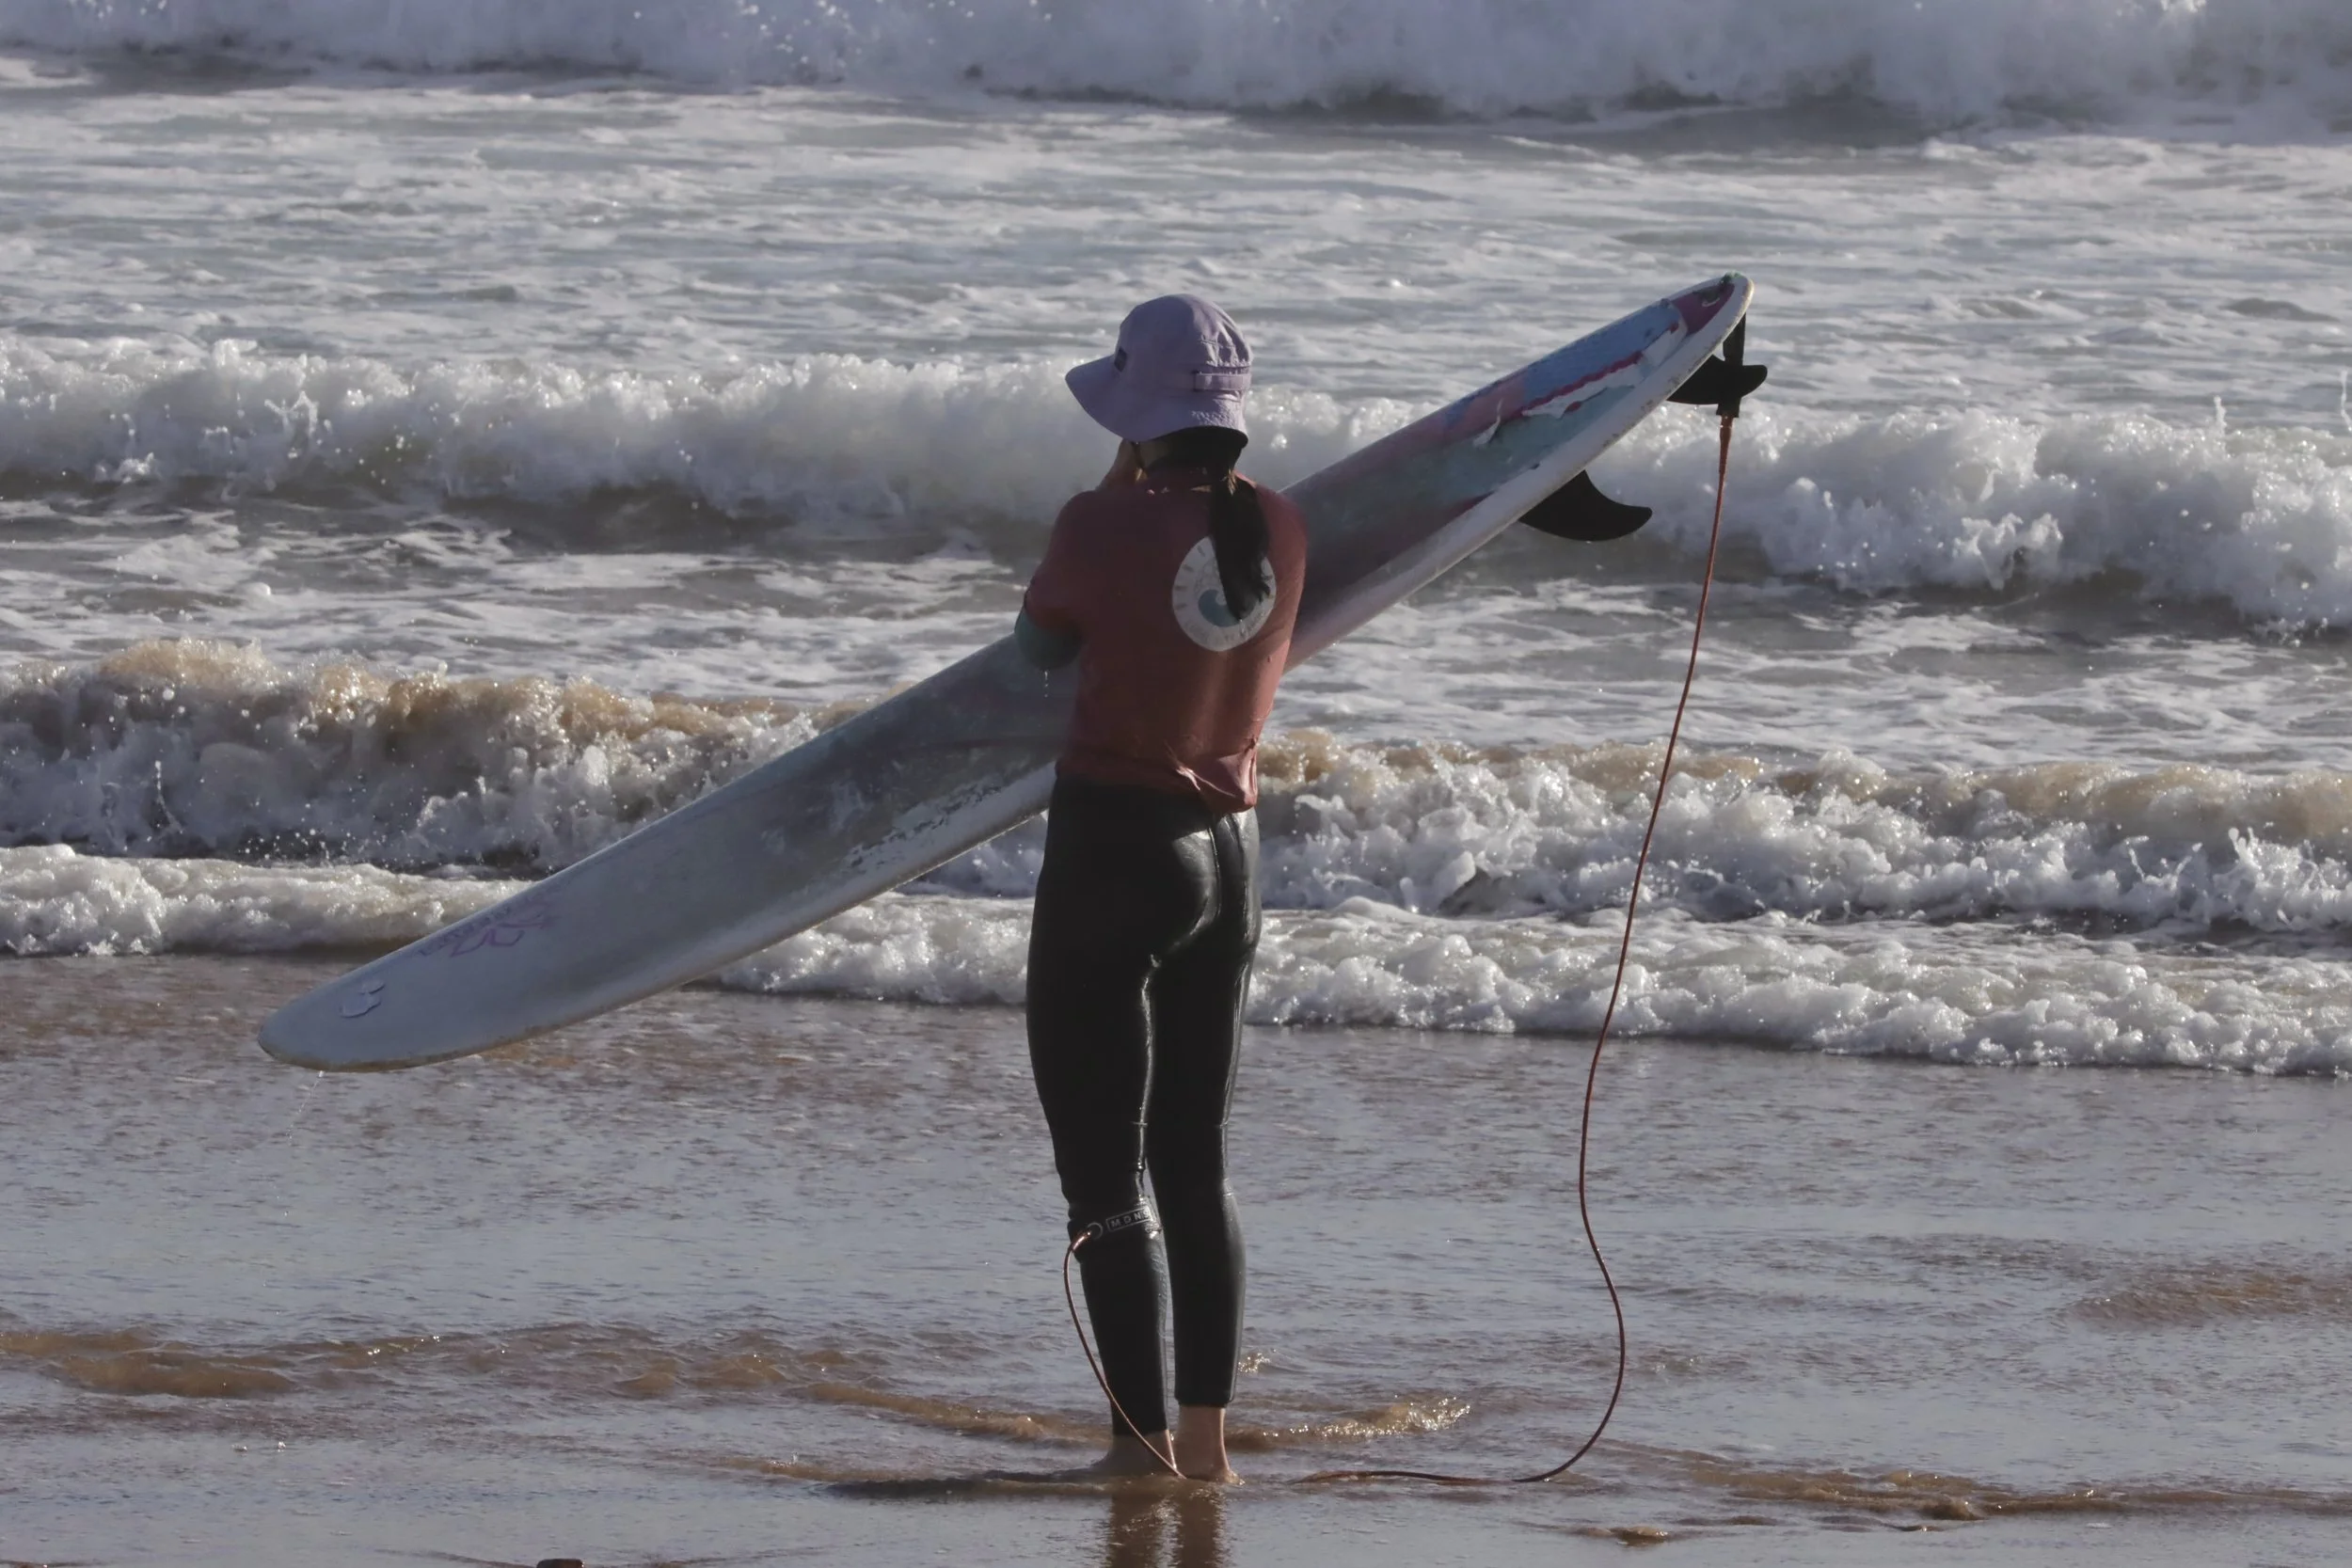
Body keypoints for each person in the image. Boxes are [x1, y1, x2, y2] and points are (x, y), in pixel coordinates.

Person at [1015, 294, 1308, 1483]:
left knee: (1102, 1172)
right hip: (1228, 863)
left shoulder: (1097, 524)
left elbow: (1040, 651)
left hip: (1113, 854)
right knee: (1195, 1159)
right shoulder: (1283, 527)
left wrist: (1114, 480)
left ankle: (1133, 1449)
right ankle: (1204, 1444)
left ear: (1135, 413)